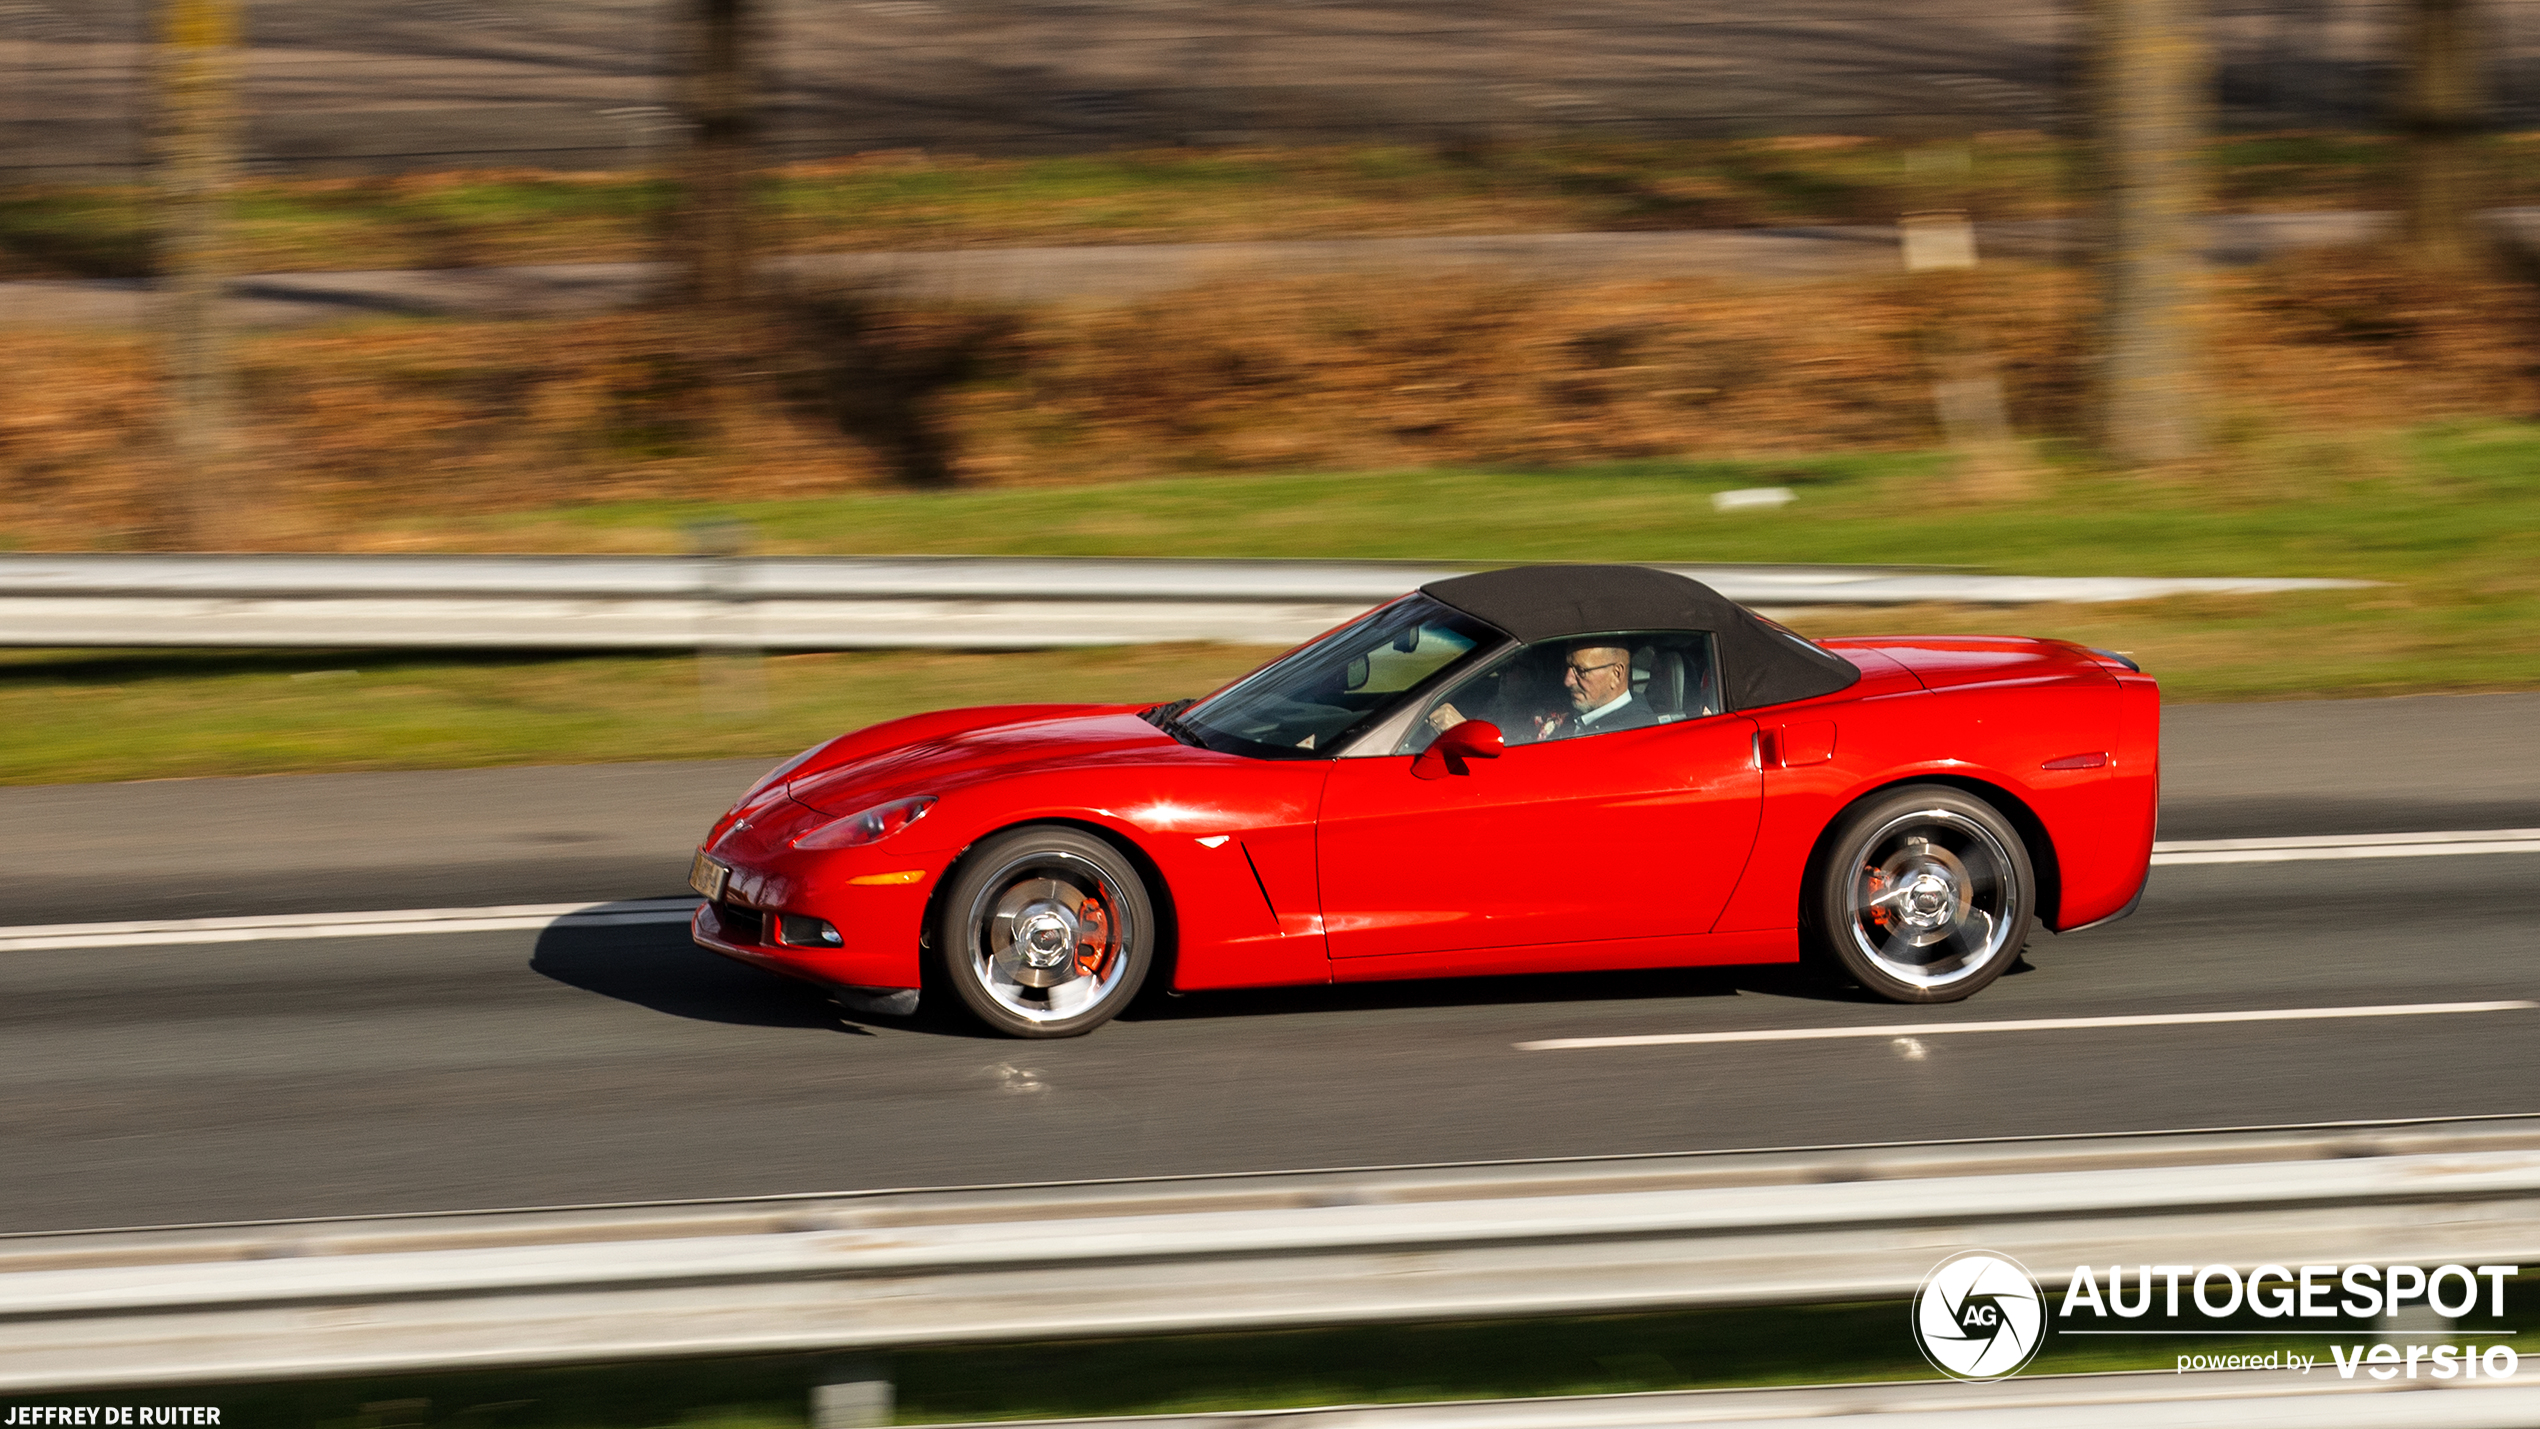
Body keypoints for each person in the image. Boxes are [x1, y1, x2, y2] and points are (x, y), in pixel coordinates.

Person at [1425, 639, 1656, 743]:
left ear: (1617, 674)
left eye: (1581, 671)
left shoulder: (1633, 732)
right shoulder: (1576, 716)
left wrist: (1468, 734)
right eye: (1568, 668)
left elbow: (1547, 783)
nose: (1567, 680)